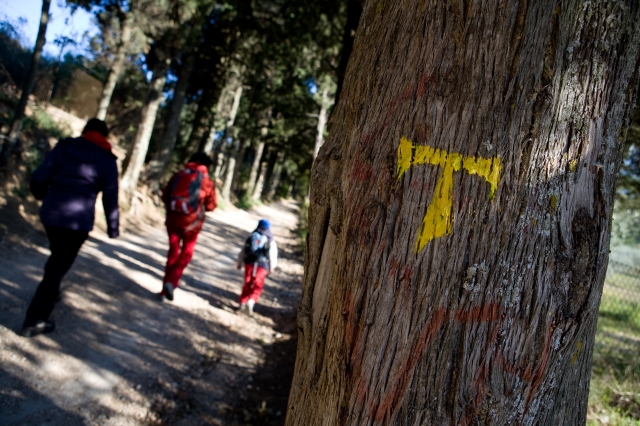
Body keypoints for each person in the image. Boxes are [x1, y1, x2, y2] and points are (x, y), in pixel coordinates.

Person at [21, 118, 119, 337]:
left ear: (85, 131)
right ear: (104, 136)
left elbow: (39, 176)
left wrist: (42, 196)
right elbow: (110, 197)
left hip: (51, 213)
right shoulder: (107, 159)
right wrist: (113, 227)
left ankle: (51, 291)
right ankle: (34, 320)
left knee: (57, 256)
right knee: (57, 266)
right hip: (78, 222)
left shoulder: (65, 147)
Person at [160, 153, 217, 301]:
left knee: (173, 252)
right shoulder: (207, 181)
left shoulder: (179, 174)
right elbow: (211, 206)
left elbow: (165, 196)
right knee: (186, 253)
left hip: (172, 220)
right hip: (192, 225)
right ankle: (171, 283)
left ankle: (164, 290)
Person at [236, 219, 278, 315]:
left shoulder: (252, 236)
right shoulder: (270, 239)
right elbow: (272, 255)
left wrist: (239, 262)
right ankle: (251, 301)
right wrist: (272, 267)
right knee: (258, 285)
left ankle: (242, 303)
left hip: (249, 263)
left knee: (247, 283)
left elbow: (243, 251)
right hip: (262, 266)